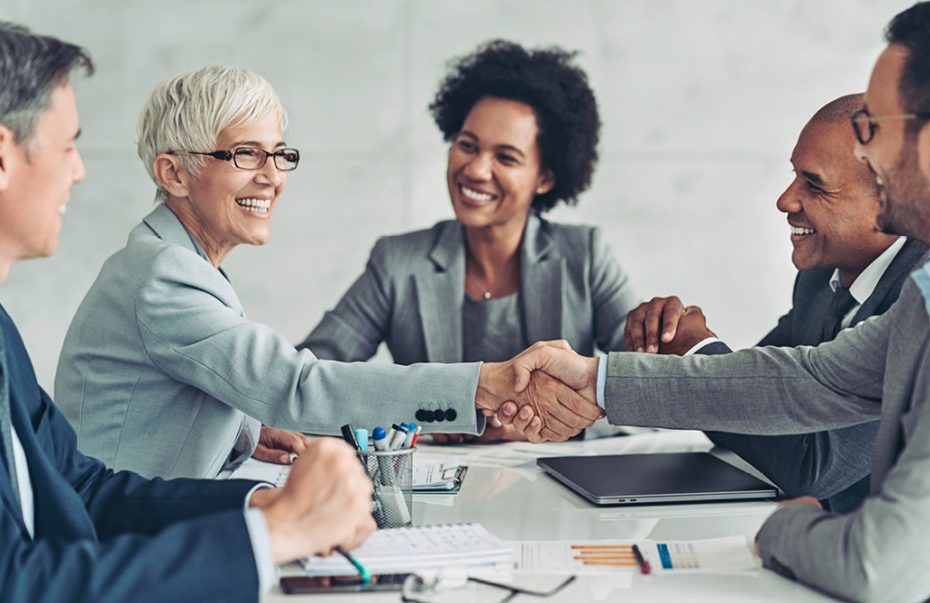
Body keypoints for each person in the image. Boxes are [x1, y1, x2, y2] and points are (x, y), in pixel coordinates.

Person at [511, 1, 930, 599]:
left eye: (872, 128)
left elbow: (880, 568)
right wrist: (596, 379)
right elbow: (809, 381)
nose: (868, 152)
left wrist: (784, 526)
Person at [54, 63, 601, 479]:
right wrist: (486, 385)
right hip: (116, 538)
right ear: (173, 173)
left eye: (279, 155)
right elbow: (298, 383)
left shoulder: (175, 262)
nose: (273, 178)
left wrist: (247, 432)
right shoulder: (164, 276)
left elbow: (184, 395)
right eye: (246, 154)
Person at [0, 22, 376, 601]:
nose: (79, 170)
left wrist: (261, 506)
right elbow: (16, 583)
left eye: (279, 154)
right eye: (69, 146)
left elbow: (84, 489)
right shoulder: (161, 271)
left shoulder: (2, 333)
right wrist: (272, 534)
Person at [300, 40, 636, 442]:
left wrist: (549, 426)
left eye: (506, 157)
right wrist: (420, 421)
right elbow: (311, 380)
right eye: (467, 145)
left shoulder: (585, 257)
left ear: (545, 178)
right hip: (432, 495)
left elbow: (647, 396)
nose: (476, 170)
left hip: (562, 492)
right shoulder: (398, 262)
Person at [622, 94, 930, 512]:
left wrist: (697, 352)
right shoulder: (818, 280)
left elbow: (814, 466)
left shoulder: (927, 296)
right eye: (793, 176)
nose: (785, 200)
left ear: (890, 202)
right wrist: (676, 345)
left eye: (814, 184)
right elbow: (750, 410)